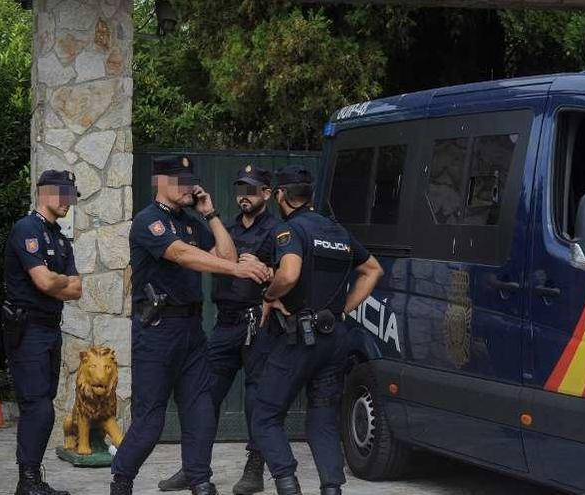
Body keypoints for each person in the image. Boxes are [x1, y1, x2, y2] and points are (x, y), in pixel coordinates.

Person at [110, 156, 270, 495]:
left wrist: (210, 214)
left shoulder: (190, 221)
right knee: (150, 421)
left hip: (191, 331)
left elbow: (226, 256)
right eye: (180, 180)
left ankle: (200, 481)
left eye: (190, 180)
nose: (189, 186)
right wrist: (237, 271)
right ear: (161, 182)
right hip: (157, 331)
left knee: (200, 411)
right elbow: (182, 255)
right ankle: (121, 480)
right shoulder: (148, 221)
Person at [251, 166, 384, 495]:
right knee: (323, 418)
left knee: (264, 414)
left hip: (300, 338)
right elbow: (372, 270)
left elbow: (290, 273)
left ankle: (287, 483)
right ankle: (331, 489)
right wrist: (342, 310)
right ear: (309, 196)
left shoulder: (291, 230)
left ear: (281, 195)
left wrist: (269, 295)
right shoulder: (338, 232)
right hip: (334, 338)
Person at [159, 165, 279, 494]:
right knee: (203, 397)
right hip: (225, 324)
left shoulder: (277, 231)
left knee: (257, 399)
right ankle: (194, 467)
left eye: (252, 190)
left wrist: (268, 272)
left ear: (266, 194)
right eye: (240, 189)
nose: (244, 196)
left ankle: (254, 469)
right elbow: (210, 258)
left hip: (258, 325)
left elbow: (288, 273)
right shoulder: (225, 229)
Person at [3, 170, 83, 495]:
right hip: (27, 328)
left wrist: (57, 282)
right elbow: (45, 282)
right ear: (46, 192)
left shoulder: (60, 238)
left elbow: (77, 289)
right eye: (64, 193)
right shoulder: (27, 229)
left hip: (50, 329)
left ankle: (32, 480)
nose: (69, 201)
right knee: (38, 405)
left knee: (43, 403)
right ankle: (28, 482)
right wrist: (57, 282)